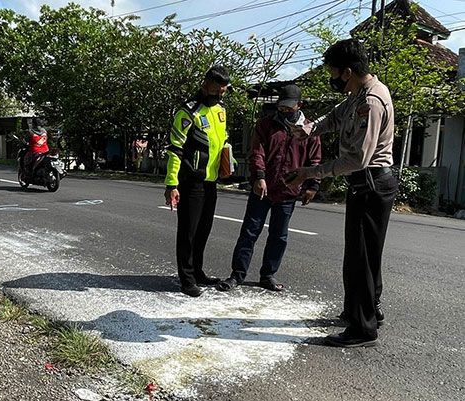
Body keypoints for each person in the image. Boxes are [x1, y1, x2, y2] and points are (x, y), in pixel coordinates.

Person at [287, 39, 398, 347]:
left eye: (334, 72)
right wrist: (310, 128)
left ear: (347, 71)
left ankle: (363, 329)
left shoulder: (370, 102)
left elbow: (357, 159)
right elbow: (335, 117)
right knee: (363, 253)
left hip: (371, 182)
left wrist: (309, 172)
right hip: (367, 182)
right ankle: (364, 311)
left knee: (360, 257)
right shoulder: (358, 94)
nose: (332, 78)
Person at [216, 84, 321, 293]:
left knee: (279, 236)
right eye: (281, 106)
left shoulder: (309, 129)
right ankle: (237, 275)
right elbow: (257, 152)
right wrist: (259, 177)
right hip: (261, 190)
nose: (284, 110)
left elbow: (315, 160)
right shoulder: (265, 125)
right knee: (249, 233)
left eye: (289, 107)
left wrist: (312, 186)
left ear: (299, 105)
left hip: (288, 192)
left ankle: (268, 275)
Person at [164, 65, 230, 297]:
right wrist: (172, 184)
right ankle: (187, 279)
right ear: (205, 85)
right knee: (188, 233)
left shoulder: (221, 110)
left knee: (203, 230)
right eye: (216, 90)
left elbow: (223, 140)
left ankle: (198, 271)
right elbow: (175, 149)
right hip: (190, 182)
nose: (220, 95)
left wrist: (227, 160)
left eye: (223, 91)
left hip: (211, 182)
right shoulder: (188, 112)